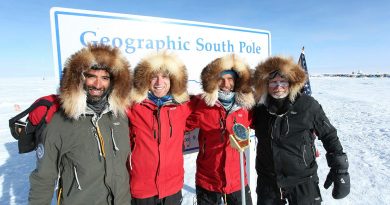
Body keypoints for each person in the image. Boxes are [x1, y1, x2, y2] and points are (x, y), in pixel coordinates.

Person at [28, 44, 132, 205]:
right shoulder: (59, 121)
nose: (98, 84)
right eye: (91, 76)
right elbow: (43, 178)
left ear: (114, 82)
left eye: (105, 78)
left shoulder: (120, 116)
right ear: (79, 78)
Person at [252, 56, 350, 205]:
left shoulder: (307, 105)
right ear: (266, 84)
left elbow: (329, 134)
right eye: (273, 82)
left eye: (283, 81)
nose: (278, 86)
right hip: (268, 182)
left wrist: (340, 168)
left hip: (303, 181)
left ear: (291, 83)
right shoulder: (259, 108)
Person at [186, 54, 255, 205]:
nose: (226, 83)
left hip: (237, 181)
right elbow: (180, 122)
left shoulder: (247, 107)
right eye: (221, 79)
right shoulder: (202, 104)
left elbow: (267, 124)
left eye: (230, 79)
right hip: (208, 181)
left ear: (237, 81)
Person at [126, 52, 194, 205]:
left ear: (173, 80)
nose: (159, 82)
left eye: (165, 76)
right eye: (153, 76)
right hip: (142, 188)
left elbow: (207, 112)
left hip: (172, 187)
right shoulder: (132, 106)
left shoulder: (183, 107)